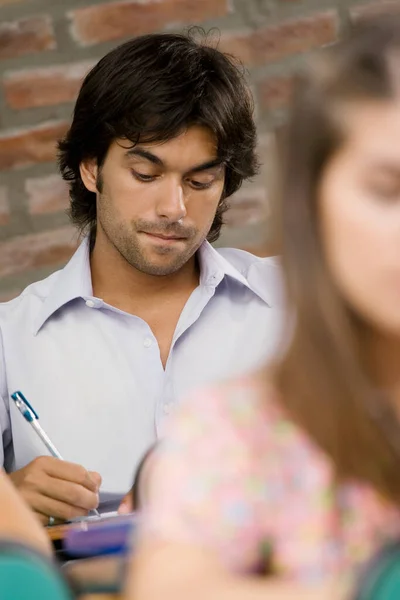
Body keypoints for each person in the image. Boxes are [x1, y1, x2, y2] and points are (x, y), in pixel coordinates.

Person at [127, 14, 400, 600]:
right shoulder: (242, 431)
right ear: (311, 202)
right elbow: (168, 583)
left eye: (201, 180)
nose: (173, 207)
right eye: (387, 188)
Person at [0, 30, 284, 526]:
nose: (174, 209)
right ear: (92, 169)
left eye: (200, 181)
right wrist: (8, 503)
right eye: (146, 174)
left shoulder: (293, 301)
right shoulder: (11, 340)